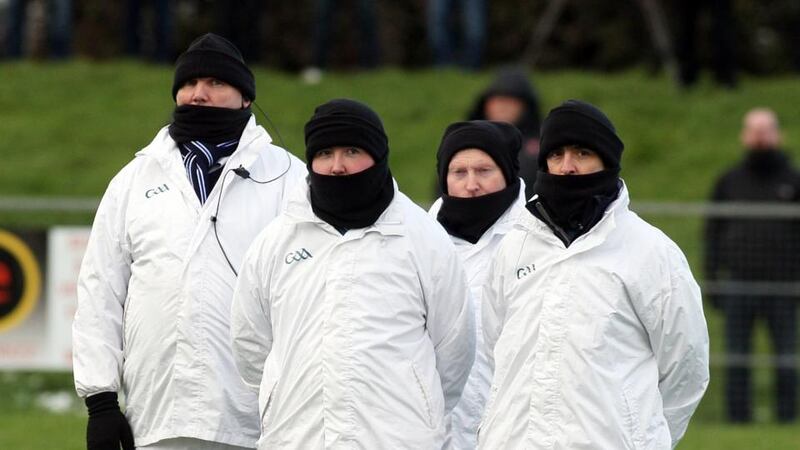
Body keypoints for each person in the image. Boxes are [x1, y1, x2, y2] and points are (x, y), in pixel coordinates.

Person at [72, 33, 306, 450]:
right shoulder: (134, 180)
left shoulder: (289, 179)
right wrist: (101, 401)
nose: (199, 94)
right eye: (190, 84)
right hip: (158, 413)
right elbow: (100, 291)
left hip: (260, 419)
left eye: (216, 83)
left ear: (246, 98)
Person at [229, 98, 475, 448]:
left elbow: (453, 350)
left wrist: (418, 408)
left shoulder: (423, 237)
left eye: (352, 151)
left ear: (377, 155)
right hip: (298, 437)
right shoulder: (276, 241)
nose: (338, 166)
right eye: (325, 153)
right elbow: (250, 343)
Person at [478, 100, 709, 448]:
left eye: (582, 153)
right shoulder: (514, 248)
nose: (567, 167)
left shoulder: (651, 252)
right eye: (556, 155)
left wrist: (645, 437)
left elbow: (686, 366)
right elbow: (493, 346)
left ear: (607, 160)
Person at [428, 120, 528, 449]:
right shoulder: (417, 243)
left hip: (518, 434)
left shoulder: (539, 242)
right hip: (438, 434)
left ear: (508, 173)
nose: (472, 185)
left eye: (484, 170)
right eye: (459, 172)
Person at [704, 107, 800, 423]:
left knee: (786, 358)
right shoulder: (728, 182)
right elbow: (712, 231)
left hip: (783, 286)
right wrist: (713, 277)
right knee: (736, 357)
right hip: (738, 283)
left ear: (777, 134)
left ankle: (787, 420)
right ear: (744, 135)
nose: (760, 135)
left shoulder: (794, 181)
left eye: (766, 129)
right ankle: (737, 422)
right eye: (754, 129)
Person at [467, 66, 542, 199]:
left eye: (511, 100)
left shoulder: (543, 145)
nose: (503, 106)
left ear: (525, 105)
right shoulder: (465, 141)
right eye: (497, 100)